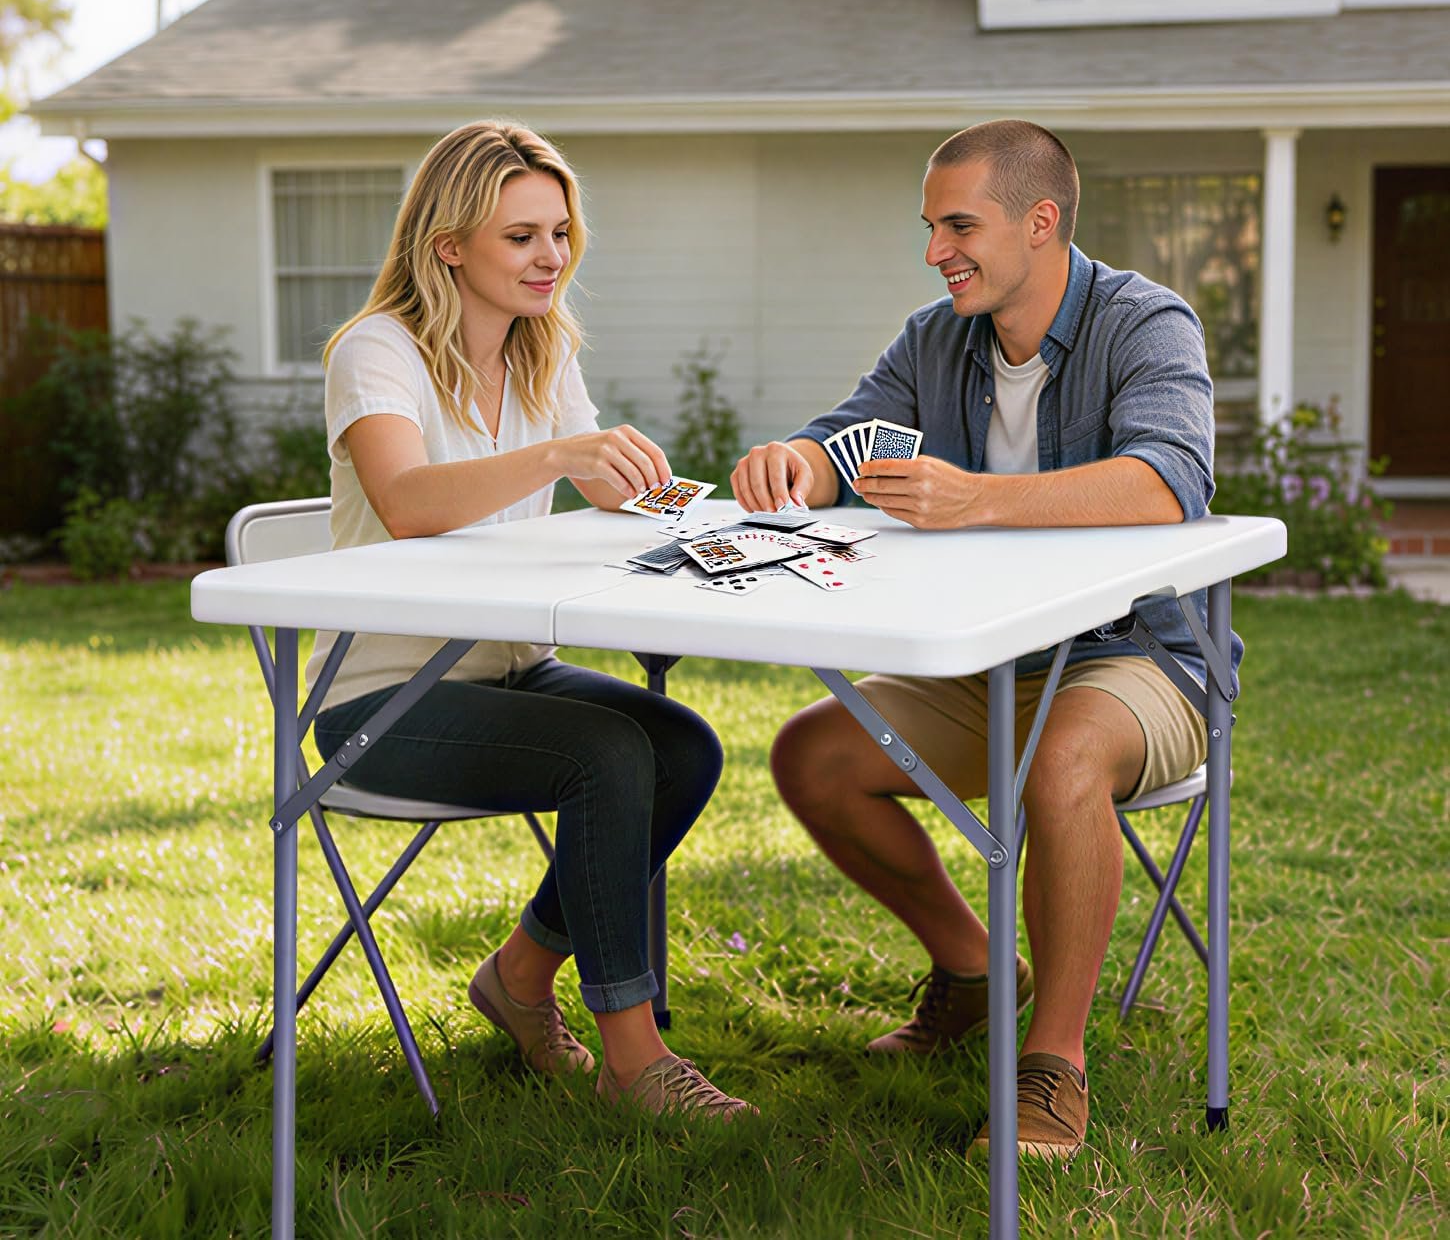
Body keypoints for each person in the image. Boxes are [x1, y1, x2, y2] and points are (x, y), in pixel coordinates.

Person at [731, 119, 1235, 1158]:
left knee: (1062, 759)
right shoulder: (935, 338)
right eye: (929, 226)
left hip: (1139, 662)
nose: (934, 250)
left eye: (958, 224)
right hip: (991, 663)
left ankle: (1052, 1060)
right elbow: (848, 439)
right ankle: (973, 972)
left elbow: (1166, 480)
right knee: (812, 756)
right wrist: (795, 462)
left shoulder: (1146, 322)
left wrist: (980, 500)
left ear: (1040, 222)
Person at [309, 120, 752, 1121]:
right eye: (521, 236)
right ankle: (636, 1060)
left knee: (680, 744)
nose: (550, 256)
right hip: (383, 706)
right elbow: (409, 499)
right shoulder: (376, 352)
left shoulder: (542, 352)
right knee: (603, 752)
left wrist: (650, 491)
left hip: (511, 673)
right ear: (450, 244)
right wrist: (562, 456)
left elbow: (594, 493)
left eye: (559, 232)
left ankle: (516, 976)